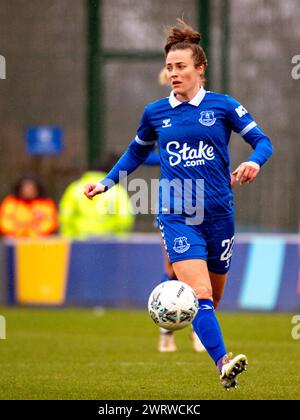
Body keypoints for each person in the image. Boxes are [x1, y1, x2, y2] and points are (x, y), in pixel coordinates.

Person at [83, 19, 273, 389]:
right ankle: (223, 363)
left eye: (181, 66)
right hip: (177, 212)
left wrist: (253, 161)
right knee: (198, 292)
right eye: (169, 67)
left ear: (200, 69)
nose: (173, 73)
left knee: (212, 299)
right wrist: (107, 182)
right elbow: (135, 154)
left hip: (220, 214)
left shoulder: (223, 107)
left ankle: (180, 327)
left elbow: (263, 141)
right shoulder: (155, 112)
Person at [60, 153, 134, 239]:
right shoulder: (116, 191)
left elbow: (65, 216)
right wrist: (117, 239)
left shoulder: (75, 188)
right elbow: (125, 218)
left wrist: (71, 238)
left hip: (80, 241)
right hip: (109, 242)